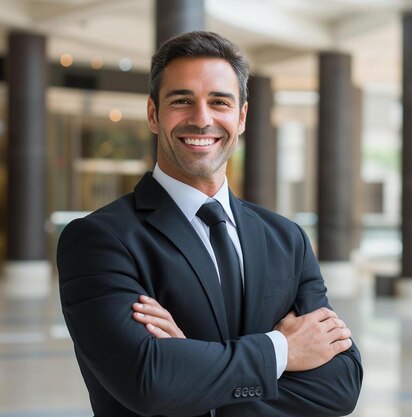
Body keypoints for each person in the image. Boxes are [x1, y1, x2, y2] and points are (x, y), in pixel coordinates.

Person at [57, 31, 362, 417]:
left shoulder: (286, 239)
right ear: (153, 114)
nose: (202, 119)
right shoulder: (100, 239)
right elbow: (151, 383)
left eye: (219, 102)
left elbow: (341, 386)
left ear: (242, 117)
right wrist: (282, 349)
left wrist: (195, 368)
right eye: (182, 101)